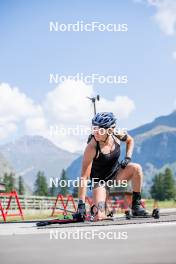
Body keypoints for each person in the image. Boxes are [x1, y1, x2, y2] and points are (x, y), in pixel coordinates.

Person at [77, 112, 148, 220]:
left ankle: (136, 206)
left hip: (116, 173)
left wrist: (128, 157)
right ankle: (96, 209)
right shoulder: (91, 147)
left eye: (100, 129)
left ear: (110, 130)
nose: (96, 132)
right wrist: (81, 205)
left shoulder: (116, 133)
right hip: (100, 182)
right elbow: (84, 177)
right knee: (99, 216)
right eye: (94, 128)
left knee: (136, 168)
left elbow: (130, 140)